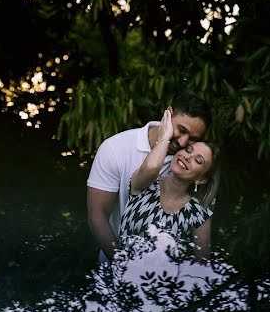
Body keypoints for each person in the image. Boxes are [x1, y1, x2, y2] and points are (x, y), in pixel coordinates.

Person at [86, 94, 210, 261]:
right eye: (181, 130)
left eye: (193, 139)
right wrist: (121, 264)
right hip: (115, 261)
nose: (182, 142)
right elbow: (97, 216)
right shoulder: (115, 148)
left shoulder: (185, 163)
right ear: (168, 115)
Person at [120, 108, 219, 260]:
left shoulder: (198, 212)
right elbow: (152, 167)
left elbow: (201, 265)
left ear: (201, 179)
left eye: (198, 160)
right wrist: (165, 136)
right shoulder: (145, 184)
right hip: (124, 277)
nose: (187, 157)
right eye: (188, 150)